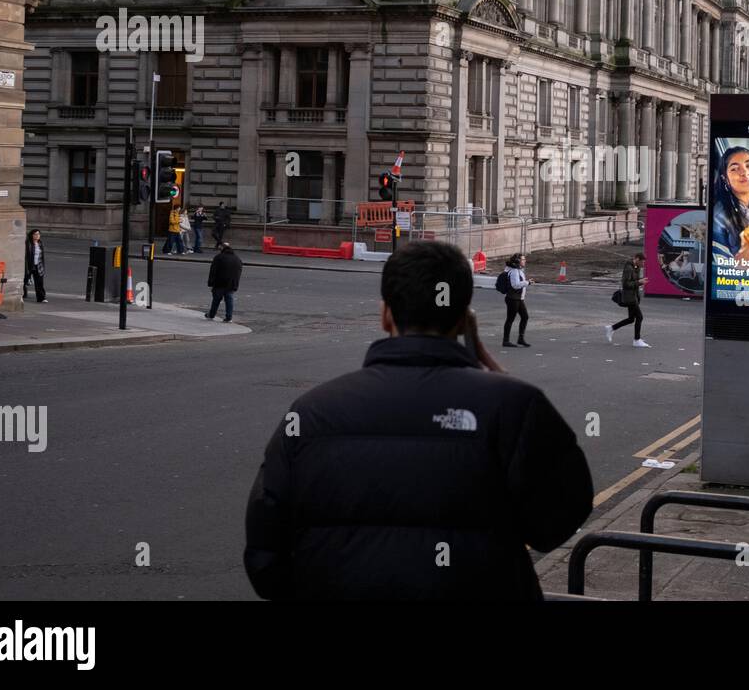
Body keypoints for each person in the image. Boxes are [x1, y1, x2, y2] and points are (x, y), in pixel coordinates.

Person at [243, 240, 593, 601]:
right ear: (463, 320)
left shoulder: (310, 413)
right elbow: (557, 520)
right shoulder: (514, 406)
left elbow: (266, 553)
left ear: (386, 315)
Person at [606, 252, 650, 347]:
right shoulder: (628, 268)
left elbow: (634, 281)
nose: (643, 265)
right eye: (642, 262)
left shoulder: (635, 267)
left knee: (631, 319)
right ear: (637, 259)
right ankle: (636, 340)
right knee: (639, 317)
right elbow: (626, 284)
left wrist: (640, 282)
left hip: (633, 296)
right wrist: (639, 282)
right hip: (629, 297)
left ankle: (611, 328)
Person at [205, 243, 243, 322]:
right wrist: (235, 284)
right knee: (229, 300)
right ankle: (229, 317)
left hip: (220, 282)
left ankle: (212, 314)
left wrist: (211, 283)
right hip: (232, 283)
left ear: (222, 249)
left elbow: (213, 271)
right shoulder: (237, 259)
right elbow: (238, 272)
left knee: (216, 299)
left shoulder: (219, 257)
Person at [502, 253, 532, 349]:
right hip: (512, 298)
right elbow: (515, 285)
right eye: (523, 259)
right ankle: (505, 341)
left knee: (525, 317)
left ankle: (520, 339)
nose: (525, 261)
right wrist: (528, 283)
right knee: (510, 319)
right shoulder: (514, 271)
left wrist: (526, 283)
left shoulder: (519, 270)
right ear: (518, 261)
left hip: (518, 298)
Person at [23, 229, 48, 304]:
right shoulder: (28, 243)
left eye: (38, 234)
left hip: (38, 265)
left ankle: (41, 298)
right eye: (35, 234)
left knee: (39, 282)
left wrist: (43, 266)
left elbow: (42, 256)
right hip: (30, 265)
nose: (37, 236)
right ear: (32, 235)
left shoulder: (40, 243)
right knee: (24, 280)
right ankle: (22, 294)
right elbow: (26, 256)